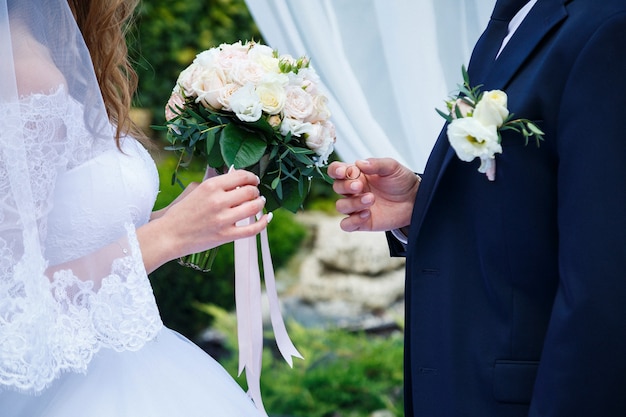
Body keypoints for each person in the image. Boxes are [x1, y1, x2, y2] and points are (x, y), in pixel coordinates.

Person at [330, 0, 626, 416]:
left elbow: (604, 278)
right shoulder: (510, 21)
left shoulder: (608, 26)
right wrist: (422, 204)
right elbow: (531, 204)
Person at [0, 0, 271, 415]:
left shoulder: (54, 57)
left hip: (127, 362)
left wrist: (185, 221)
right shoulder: (26, 72)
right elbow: (14, 297)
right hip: (78, 391)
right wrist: (167, 235)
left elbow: (65, 233)